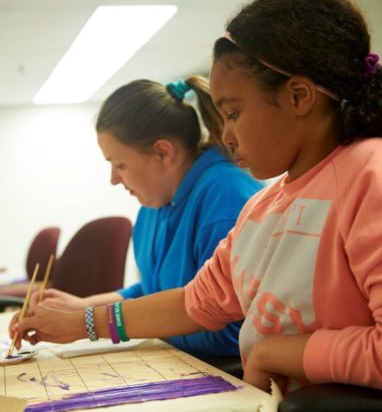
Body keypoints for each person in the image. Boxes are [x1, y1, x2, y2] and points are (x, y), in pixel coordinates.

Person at [11, 0, 382, 395]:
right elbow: (194, 302)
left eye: (234, 113)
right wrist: (82, 322)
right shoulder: (267, 205)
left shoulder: (376, 172)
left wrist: (278, 352)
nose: (227, 135)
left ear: (299, 97)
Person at [26, 75, 263, 360]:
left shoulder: (227, 201)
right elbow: (153, 290)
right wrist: (84, 306)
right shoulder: (155, 203)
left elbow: (229, 334)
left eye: (119, 164)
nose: (114, 179)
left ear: (162, 153)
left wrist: (90, 323)